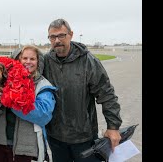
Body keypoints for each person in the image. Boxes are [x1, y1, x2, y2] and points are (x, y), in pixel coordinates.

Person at [43, 18, 122, 162]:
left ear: (71, 34)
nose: (57, 40)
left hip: (84, 138)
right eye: (52, 37)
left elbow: (107, 94)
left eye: (61, 35)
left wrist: (113, 126)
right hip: (55, 137)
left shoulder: (88, 61)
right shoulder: (46, 61)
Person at [0, 45, 57, 162]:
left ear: (38, 61)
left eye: (32, 59)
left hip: (24, 148)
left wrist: (10, 100)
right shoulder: (4, 79)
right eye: (24, 58)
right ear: (18, 60)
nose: (28, 62)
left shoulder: (43, 85)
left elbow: (43, 115)